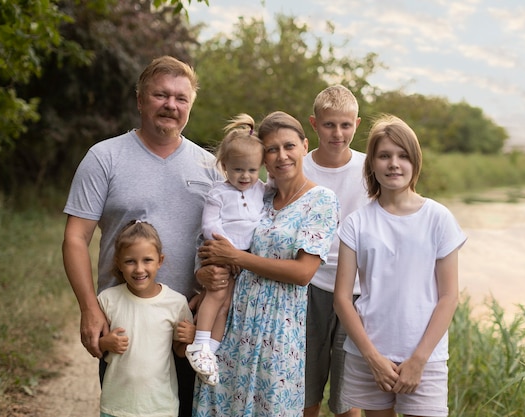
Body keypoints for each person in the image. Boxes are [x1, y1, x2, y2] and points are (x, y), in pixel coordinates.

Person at [61, 55, 224, 417]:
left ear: (190, 106)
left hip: (187, 326)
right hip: (125, 323)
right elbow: (75, 238)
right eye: (160, 95)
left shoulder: (209, 167)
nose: (171, 105)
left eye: (181, 98)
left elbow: (227, 240)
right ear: (139, 100)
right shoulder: (105, 157)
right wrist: (89, 309)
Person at [193, 111, 340, 417]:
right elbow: (212, 246)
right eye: (272, 149)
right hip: (233, 322)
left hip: (279, 331)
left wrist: (236, 257)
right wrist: (206, 271)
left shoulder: (321, 201)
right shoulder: (257, 195)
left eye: (289, 146)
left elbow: (303, 273)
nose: (281, 156)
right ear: (262, 158)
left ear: (304, 145)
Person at [333, 114, 467, 417]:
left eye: (403, 155)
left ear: (415, 162)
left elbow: (449, 296)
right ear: (372, 164)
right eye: (384, 156)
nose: (394, 163)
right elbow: (342, 299)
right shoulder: (357, 222)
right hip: (370, 355)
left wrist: (419, 359)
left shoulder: (438, 218)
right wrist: (373, 359)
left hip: (425, 356)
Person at [186, 113, 266, 386]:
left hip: (244, 260)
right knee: (216, 294)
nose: (245, 176)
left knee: (227, 304)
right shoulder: (218, 193)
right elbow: (210, 225)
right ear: (224, 166)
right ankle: (199, 343)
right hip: (222, 253)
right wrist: (227, 251)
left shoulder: (261, 190)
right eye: (238, 169)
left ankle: (211, 353)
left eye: (252, 170)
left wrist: (242, 257)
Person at [303, 85, 365, 417]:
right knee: (304, 387)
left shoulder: (371, 169)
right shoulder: (297, 167)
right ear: (314, 123)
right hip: (307, 285)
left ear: (356, 123)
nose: (337, 133)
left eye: (345, 125)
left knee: (348, 395)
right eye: (329, 125)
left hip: (357, 291)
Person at [98, 220, 194, 417]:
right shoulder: (108, 300)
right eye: (130, 261)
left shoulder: (176, 303)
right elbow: (94, 344)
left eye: (147, 260)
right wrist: (105, 343)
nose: (139, 269)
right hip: (117, 406)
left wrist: (192, 338)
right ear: (118, 262)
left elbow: (180, 350)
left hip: (160, 406)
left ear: (160, 260)